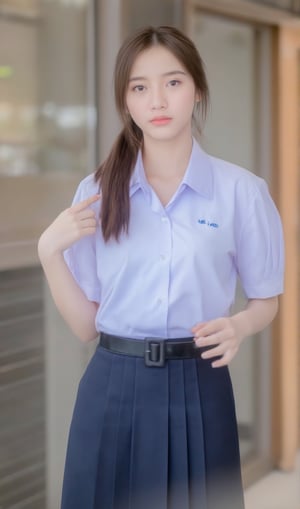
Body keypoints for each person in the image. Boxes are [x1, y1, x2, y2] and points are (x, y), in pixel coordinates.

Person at [38, 25, 284, 509]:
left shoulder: (242, 192)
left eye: (172, 82)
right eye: (139, 86)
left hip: (200, 383)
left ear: (196, 90)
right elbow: (86, 326)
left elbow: (266, 300)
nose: (158, 100)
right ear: (125, 102)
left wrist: (239, 324)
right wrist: (49, 253)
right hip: (111, 387)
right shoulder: (95, 192)